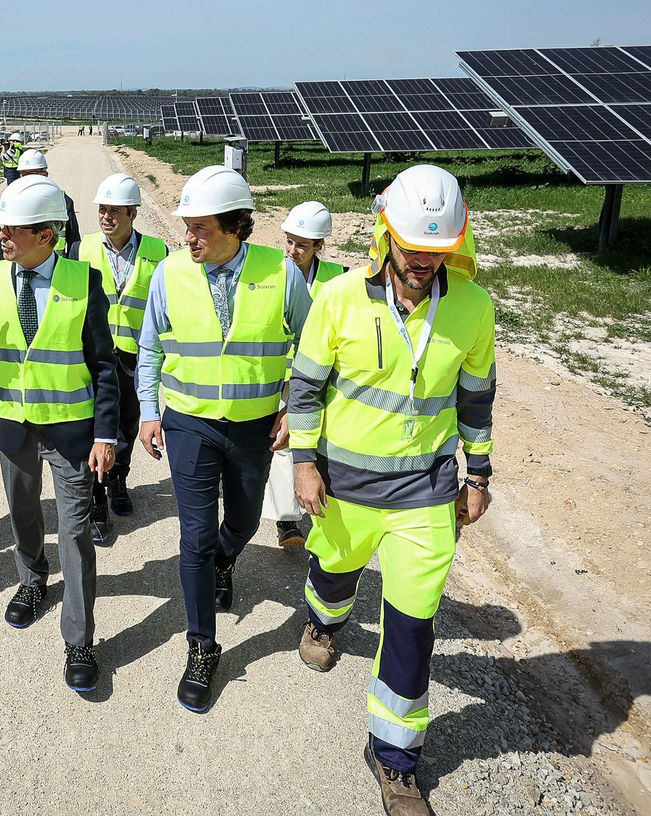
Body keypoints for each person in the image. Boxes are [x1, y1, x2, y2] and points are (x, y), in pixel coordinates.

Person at [288, 166, 495, 816]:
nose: (422, 264)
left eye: (436, 252)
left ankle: (395, 758)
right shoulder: (340, 299)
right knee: (334, 573)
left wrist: (479, 472)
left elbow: (476, 398)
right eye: (411, 250)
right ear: (385, 236)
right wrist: (303, 462)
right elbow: (305, 387)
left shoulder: (473, 307)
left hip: (425, 495)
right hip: (344, 488)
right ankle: (324, 618)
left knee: (412, 625)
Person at [135, 166, 312, 713]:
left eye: (200, 228)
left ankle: (225, 559)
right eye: (186, 226)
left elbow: (312, 355)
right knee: (194, 535)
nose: (187, 237)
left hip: (255, 427)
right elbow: (150, 349)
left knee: (241, 520)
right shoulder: (168, 273)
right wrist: (148, 411)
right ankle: (201, 645)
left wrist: (297, 416)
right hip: (188, 423)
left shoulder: (282, 275)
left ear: (236, 225)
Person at [0, 176, 119, 691]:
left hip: (70, 431)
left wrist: (106, 436)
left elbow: (106, 368)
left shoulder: (82, 283)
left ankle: (79, 638)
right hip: (12, 426)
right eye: (2, 229)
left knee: (76, 529)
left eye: (14, 229)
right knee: (22, 512)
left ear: (47, 235)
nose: (3, 237)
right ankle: (32, 579)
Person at [76, 173, 167, 542]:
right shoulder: (83, 249)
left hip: (135, 355)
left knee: (128, 428)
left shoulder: (158, 252)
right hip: (95, 355)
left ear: (133, 213)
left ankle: (119, 480)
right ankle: (96, 497)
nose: (106, 217)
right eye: (102, 210)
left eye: (115, 210)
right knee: (96, 428)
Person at [262, 200, 349, 548]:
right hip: (284, 377)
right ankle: (287, 521)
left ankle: (321, 503)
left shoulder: (338, 278)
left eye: (302, 244)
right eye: (289, 241)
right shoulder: (274, 276)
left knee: (322, 438)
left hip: (326, 376)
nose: (292, 250)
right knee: (283, 441)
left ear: (319, 246)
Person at [0, 149, 80, 261]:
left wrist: (72, 269)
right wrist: (0, 265)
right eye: (25, 174)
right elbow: (4, 237)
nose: (30, 178)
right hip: (20, 267)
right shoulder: (14, 200)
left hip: (56, 269)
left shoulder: (63, 201)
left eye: (34, 173)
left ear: (45, 174)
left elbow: (73, 241)